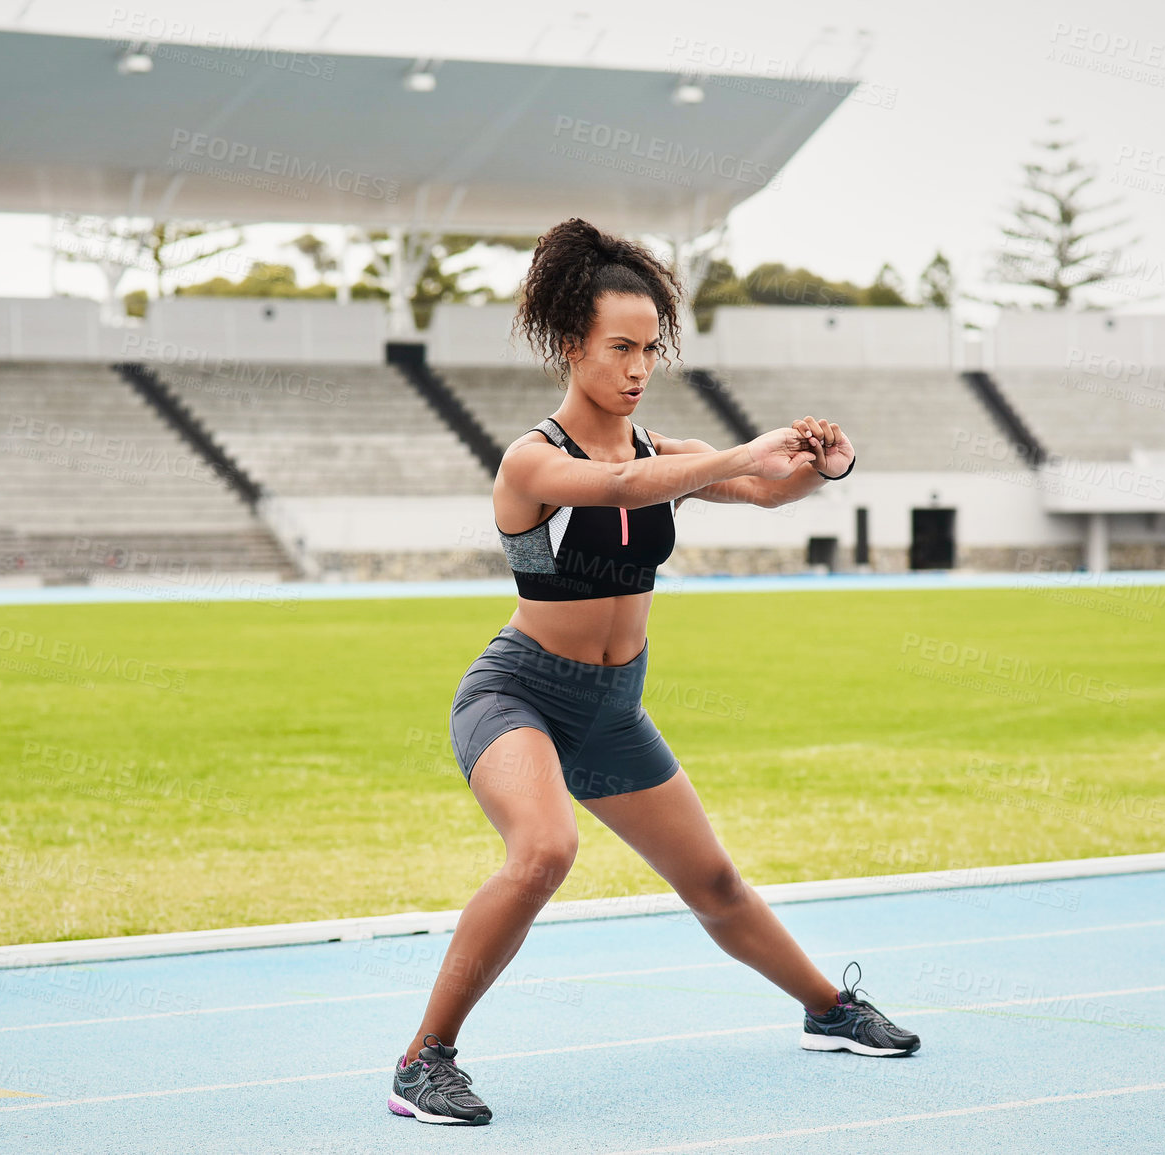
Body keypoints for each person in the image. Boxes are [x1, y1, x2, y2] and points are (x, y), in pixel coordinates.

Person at [387, 218, 919, 1127]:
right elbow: (630, 491)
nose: (637, 368)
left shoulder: (656, 450)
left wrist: (823, 464)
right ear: (571, 346)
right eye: (619, 348)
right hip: (519, 694)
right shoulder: (533, 458)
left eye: (650, 349)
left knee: (713, 882)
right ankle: (421, 1061)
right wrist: (748, 447)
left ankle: (829, 1010)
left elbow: (759, 488)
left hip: (610, 710)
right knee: (546, 850)